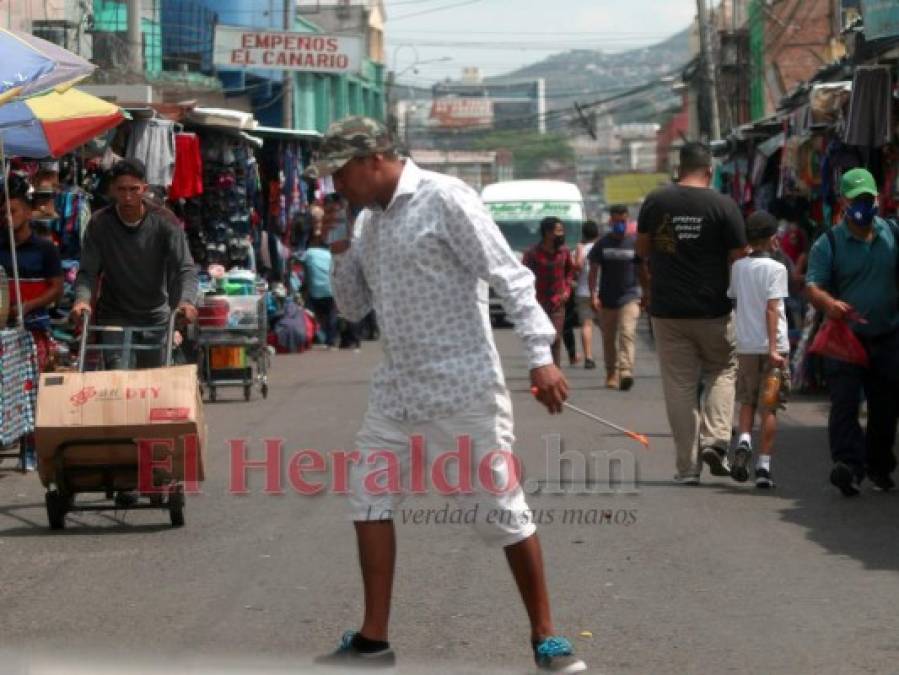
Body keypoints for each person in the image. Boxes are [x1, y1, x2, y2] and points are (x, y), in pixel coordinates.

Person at [305, 116, 586, 673]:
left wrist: (541, 356)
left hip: (462, 390)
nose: (335, 186)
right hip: (396, 393)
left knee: (501, 512)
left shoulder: (445, 198)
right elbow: (354, 308)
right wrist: (337, 248)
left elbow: (511, 277)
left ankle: (546, 638)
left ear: (373, 158)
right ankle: (373, 639)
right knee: (367, 498)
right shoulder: (368, 224)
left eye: (339, 173)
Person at [636, 143, 748, 485]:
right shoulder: (724, 205)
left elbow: (642, 251)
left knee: (680, 385)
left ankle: (687, 468)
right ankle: (715, 440)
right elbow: (740, 257)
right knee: (723, 368)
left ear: (678, 168)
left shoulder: (656, 201)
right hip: (713, 308)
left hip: (668, 310)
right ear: (709, 170)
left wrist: (652, 285)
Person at [805, 167, 899, 496]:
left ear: (877, 198)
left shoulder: (892, 233)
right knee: (844, 403)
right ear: (843, 201)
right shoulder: (827, 243)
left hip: (887, 336)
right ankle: (848, 465)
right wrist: (828, 304)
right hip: (845, 340)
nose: (864, 204)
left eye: (868, 198)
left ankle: (879, 465)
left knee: (885, 407)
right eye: (857, 198)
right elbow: (812, 285)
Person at [72, 158, 199, 369]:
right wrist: (82, 300)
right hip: (115, 316)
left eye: (134, 189)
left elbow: (184, 268)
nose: (128, 196)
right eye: (121, 190)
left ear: (144, 189)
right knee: (118, 381)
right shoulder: (99, 224)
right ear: (112, 190)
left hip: (156, 316)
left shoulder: (165, 221)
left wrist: (186, 301)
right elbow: (88, 272)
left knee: (154, 385)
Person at [0, 174, 64, 471]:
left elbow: (56, 288)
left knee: (32, 390)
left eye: (12, 211)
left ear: (27, 212)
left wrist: (27, 306)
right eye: (2, 212)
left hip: (33, 328)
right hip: (4, 332)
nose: (7, 217)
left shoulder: (45, 248)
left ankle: (30, 446)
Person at [727, 211, 790, 488]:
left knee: (747, 401)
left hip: (746, 345)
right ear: (771, 238)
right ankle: (763, 468)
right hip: (772, 346)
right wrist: (775, 349)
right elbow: (772, 308)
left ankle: (743, 440)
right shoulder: (777, 269)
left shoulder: (738, 267)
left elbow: (735, 300)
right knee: (770, 407)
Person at [589, 205, 644, 391]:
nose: (620, 224)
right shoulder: (602, 244)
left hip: (630, 297)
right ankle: (611, 373)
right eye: (616, 221)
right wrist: (593, 294)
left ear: (627, 221)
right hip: (607, 299)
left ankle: (626, 371)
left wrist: (646, 293)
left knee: (627, 333)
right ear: (610, 222)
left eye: (623, 221)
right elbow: (593, 271)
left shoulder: (635, 243)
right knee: (609, 339)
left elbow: (642, 270)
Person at [522, 216, 575, 368]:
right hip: (537, 303)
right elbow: (524, 276)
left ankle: (556, 371)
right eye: (558, 231)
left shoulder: (564, 252)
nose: (561, 234)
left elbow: (570, 271)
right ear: (547, 233)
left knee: (555, 338)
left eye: (562, 231)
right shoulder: (532, 253)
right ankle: (541, 370)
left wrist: (566, 289)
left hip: (558, 302)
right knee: (540, 338)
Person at [300, 228, 338, 348]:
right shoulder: (330, 254)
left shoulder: (309, 252)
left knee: (313, 312)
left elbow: (296, 260)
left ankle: (317, 336)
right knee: (331, 314)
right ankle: (331, 339)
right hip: (330, 289)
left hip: (315, 290)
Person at [572, 220, 599, 369]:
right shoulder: (601, 247)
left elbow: (578, 266)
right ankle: (614, 355)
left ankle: (588, 356)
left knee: (586, 324)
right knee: (607, 326)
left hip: (583, 291)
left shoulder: (581, 248)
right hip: (601, 291)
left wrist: (579, 251)